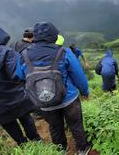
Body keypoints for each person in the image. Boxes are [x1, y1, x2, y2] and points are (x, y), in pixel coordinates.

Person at [16, 22, 91, 154]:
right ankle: (82, 149)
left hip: (44, 101)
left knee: (55, 127)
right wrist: (85, 91)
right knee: (76, 125)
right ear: (53, 35)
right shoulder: (64, 52)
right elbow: (78, 75)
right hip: (69, 99)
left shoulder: (24, 55)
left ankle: (61, 150)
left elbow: (20, 75)